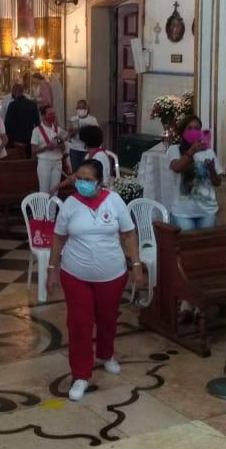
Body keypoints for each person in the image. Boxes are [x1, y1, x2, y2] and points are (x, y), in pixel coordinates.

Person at [46, 159, 146, 401]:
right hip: (75, 274)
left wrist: (136, 265)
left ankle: (106, 353)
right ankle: (81, 374)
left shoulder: (114, 201)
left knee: (107, 317)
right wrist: (52, 269)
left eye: (88, 180)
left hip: (111, 274)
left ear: (100, 182)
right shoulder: (70, 204)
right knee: (79, 323)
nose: (81, 183)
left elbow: (129, 233)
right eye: (79, 178)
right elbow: (58, 238)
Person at [166, 115, 223, 230]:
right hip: (183, 213)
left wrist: (211, 169)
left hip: (207, 211)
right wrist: (192, 151)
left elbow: (217, 182)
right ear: (182, 132)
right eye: (189, 128)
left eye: (197, 128)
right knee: (186, 246)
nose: (193, 131)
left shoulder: (209, 152)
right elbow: (177, 168)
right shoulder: (174, 149)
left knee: (205, 246)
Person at [32, 105, 68, 193]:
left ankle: (52, 207)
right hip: (44, 162)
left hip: (57, 162)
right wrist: (47, 147)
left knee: (55, 190)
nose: (53, 116)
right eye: (50, 114)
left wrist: (60, 145)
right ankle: (43, 207)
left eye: (54, 114)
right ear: (43, 116)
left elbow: (63, 149)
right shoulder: (37, 130)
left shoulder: (58, 129)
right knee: (44, 190)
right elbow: (33, 151)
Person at [4, 84, 41, 155]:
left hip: (16, 139)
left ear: (13, 92)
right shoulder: (33, 104)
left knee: (17, 161)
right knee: (28, 159)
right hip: (30, 137)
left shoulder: (12, 105)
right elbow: (37, 123)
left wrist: (9, 140)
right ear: (23, 91)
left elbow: (7, 124)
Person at [68, 100, 99, 171]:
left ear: (86, 109)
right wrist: (73, 131)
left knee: (86, 170)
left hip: (87, 150)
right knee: (75, 171)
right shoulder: (73, 119)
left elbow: (97, 134)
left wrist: (86, 131)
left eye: (82, 107)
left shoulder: (92, 120)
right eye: (79, 107)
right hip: (75, 149)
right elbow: (69, 136)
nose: (80, 109)